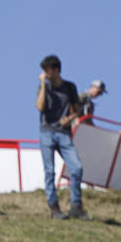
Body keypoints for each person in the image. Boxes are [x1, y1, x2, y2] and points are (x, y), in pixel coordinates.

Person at [35, 54, 87, 221]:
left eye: (47, 71)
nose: (45, 73)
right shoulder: (44, 87)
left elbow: (77, 110)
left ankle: (76, 206)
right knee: (50, 171)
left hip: (64, 134)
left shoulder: (70, 87)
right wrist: (43, 84)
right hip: (46, 133)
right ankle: (54, 208)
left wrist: (69, 119)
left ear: (56, 70)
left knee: (77, 168)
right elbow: (40, 106)